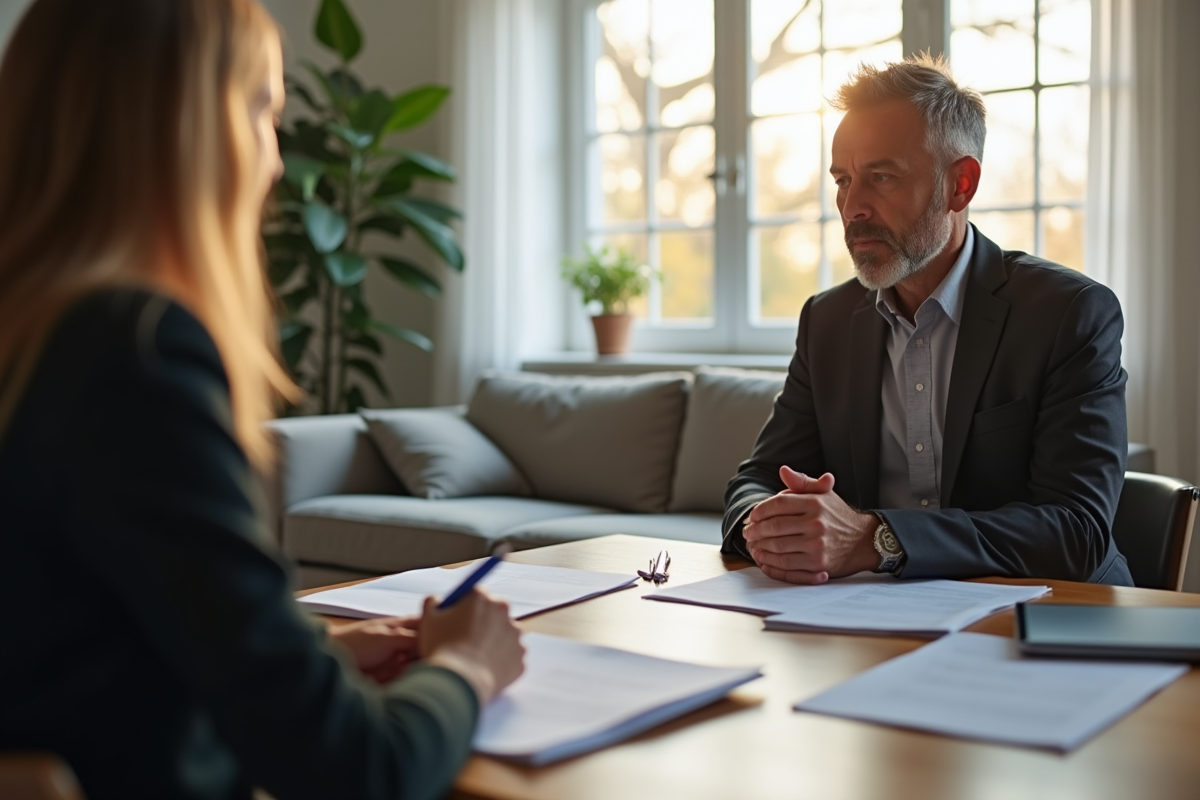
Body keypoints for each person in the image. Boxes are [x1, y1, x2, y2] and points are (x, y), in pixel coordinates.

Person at [0, 1, 524, 798]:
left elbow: (65, 649)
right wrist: (466, 666)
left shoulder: (34, 335)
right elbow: (352, 769)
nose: (276, 163)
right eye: (263, 111)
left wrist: (308, 659)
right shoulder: (130, 350)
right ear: (181, 123)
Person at [722, 54, 1133, 587]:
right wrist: (770, 523)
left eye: (882, 177)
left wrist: (875, 539)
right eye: (843, 180)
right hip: (878, 616)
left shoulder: (1070, 314)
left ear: (960, 185)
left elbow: (1076, 531)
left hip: (1053, 619)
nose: (852, 207)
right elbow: (756, 479)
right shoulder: (826, 320)